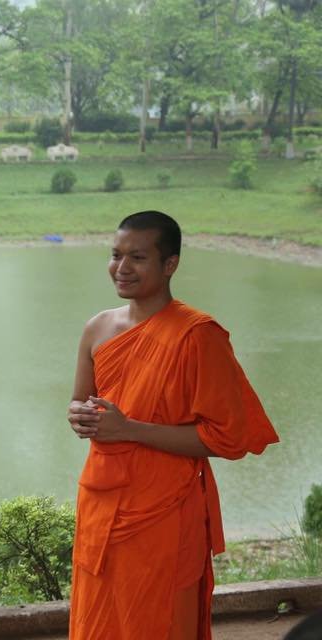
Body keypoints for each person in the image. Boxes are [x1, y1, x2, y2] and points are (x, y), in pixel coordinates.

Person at [66, 210, 279, 640]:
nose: (122, 268)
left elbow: (228, 437)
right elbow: (79, 400)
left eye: (138, 258)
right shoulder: (98, 328)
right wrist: (79, 415)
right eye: (116, 254)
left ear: (170, 265)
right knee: (98, 619)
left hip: (164, 513)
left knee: (160, 621)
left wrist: (130, 430)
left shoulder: (198, 336)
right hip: (101, 502)